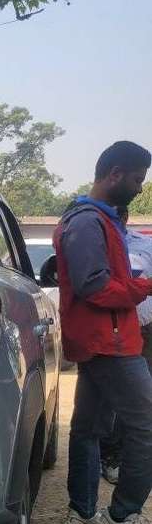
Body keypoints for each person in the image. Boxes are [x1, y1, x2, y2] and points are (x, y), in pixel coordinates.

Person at [54, 141, 152, 524]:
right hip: (108, 343)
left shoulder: (100, 220)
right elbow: (94, 285)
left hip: (104, 340)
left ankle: (81, 514)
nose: (139, 188)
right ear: (115, 173)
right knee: (146, 427)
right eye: (136, 179)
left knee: (88, 429)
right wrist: (145, 286)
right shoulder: (86, 222)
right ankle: (122, 516)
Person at [98, 206, 152, 483]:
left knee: (140, 399)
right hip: (110, 328)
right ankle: (107, 455)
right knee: (110, 396)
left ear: (126, 218)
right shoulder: (95, 244)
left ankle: (119, 455)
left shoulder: (145, 244)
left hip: (145, 329)